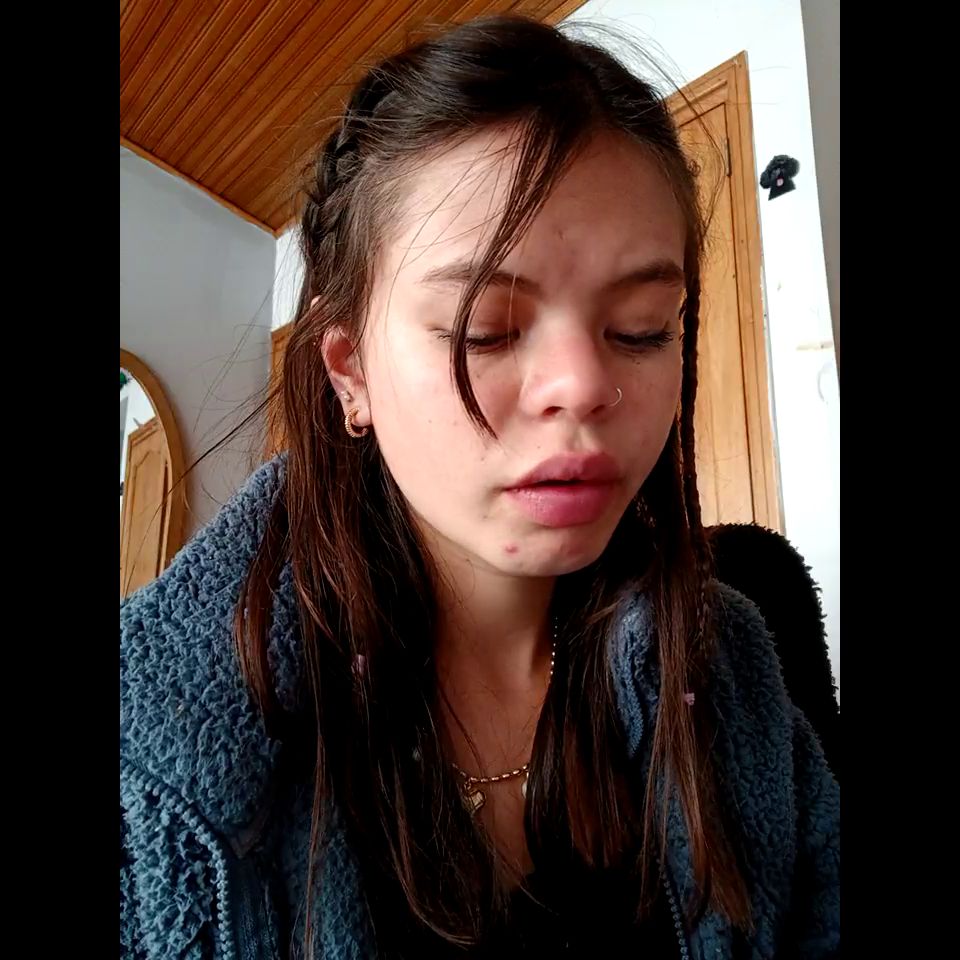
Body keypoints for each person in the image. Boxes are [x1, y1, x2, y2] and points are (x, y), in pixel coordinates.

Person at [120, 15, 839, 959]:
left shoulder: (732, 668)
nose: (584, 385)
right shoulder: (151, 753)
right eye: (484, 329)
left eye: (642, 328)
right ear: (351, 374)